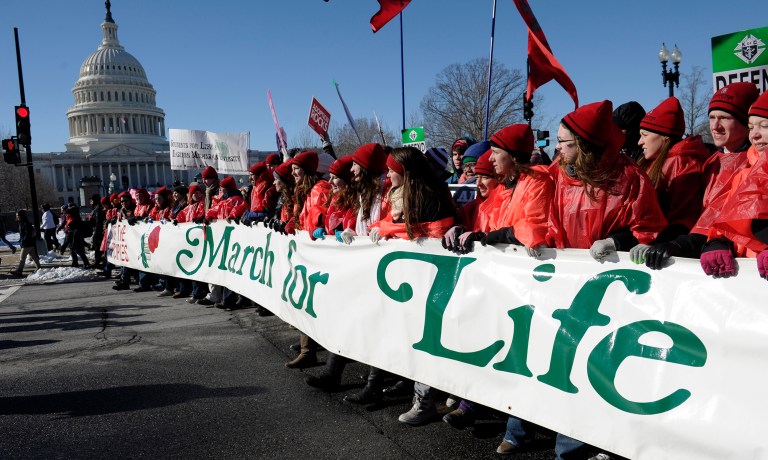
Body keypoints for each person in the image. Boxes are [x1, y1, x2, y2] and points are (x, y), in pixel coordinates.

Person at [498, 101, 667, 459]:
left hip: (604, 290)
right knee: (542, 355)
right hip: (558, 283)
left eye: (565, 142)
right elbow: (535, 214)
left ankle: (569, 447)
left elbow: (649, 228)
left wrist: (617, 242)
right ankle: (521, 427)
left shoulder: (628, 177)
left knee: (584, 362)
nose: (557, 148)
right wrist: (535, 237)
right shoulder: (557, 173)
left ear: (586, 145)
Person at [643, 82, 760, 269]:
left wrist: (681, 245)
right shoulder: (712, 160)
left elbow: (719, 217)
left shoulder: (751, 163)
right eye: (712, 117)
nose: (715, 126)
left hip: (735, 263)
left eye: (724, 118)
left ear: (745, 123)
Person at [628, 97, 709, 263]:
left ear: (664, 136)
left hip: (665, 254)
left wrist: (656, 242)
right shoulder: (652, 162)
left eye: (644, 135)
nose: (639, 142)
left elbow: (684, 217)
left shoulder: (683, 163)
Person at [700, 90, 768, 278]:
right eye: (751, 127)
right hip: (745, 284)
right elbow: (725, 223)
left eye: (764, 126)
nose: (754, 135)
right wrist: (718, 244)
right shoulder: (744, 175)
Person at [285, 151, 331, 369]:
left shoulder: (320, 189)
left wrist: (313, 231)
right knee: (305, 299)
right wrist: (292, 225)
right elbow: (304, 219)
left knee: (314, 302)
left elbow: (320, 220)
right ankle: (307, 350)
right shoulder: (304, 189)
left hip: (319, 255)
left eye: (297, 168)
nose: (293, 173)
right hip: (308, 252)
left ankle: (315, 351)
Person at [11, 210, 41, 275]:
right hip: (30, 243)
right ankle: (39, 268)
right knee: (34, 256)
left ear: (21, 216)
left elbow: (28, 234)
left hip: (26, 244)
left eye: (18, 215)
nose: (17, 217)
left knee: (22, 258)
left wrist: (23, 240)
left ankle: (19, 270)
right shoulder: (22, 223)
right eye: (16, 215)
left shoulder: (25, 223)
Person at [89, 195, 107, 267]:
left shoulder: (98, 209)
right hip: (98, 229)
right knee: (98, 246)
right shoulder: (96, 208)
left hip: (99, 230)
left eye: (91, 201)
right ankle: (99, 260)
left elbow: (99, 221)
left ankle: (98, 261)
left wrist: (97, 231)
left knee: (98, 246)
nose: (90, 203)